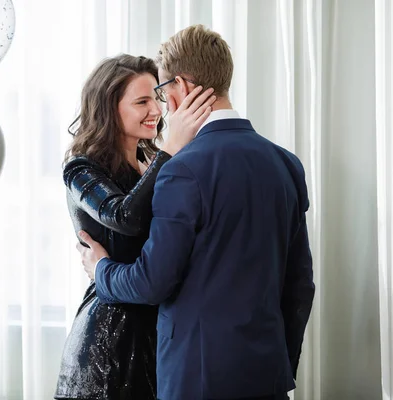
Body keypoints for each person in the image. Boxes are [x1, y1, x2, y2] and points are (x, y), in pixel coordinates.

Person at [77, 25, 315, 400]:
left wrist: (101, 271)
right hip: (269, 375)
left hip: (197, 378)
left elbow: (152, 282)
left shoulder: (180, 168)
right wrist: (279, 364)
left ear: (181, 88)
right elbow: (300, 285)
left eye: (161, 92)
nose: (161, 105)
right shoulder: (286, 163)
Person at [54, 54, 216, 400]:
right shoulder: (80, 168)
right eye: (141, 101)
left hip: (161, 325)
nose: (155, 110)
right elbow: (126, 218)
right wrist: (171, 148)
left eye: (156, 98)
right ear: (109, 107)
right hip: (113, 333)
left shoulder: (152, 159)